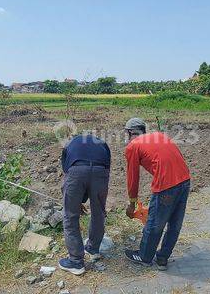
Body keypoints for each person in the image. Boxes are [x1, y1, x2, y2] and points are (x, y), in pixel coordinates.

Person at [122, 118, 191, 271]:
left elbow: (133, 177)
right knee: (175, 223)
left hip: (166, 186)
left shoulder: (133, 146)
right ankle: (162, 258)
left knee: (154, 223)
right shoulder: (159, 135)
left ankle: (145, 257)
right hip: (185, 181)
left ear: (130, 132)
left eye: (126, 133)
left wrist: (132, 203)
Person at [57, 133, 111, 275]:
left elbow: (68, 175)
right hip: (101, 172)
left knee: (70, 216)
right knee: (98, 212)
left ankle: (75, 262)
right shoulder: (101, 143)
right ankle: (93, 249)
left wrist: (76, 201)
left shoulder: (70, 144)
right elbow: (106, 169)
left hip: (76, 172)